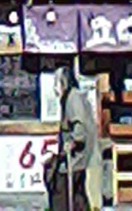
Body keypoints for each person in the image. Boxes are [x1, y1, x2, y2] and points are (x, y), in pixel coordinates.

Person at [47, 65, 96, 211]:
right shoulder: (71, 97)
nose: (55, 88)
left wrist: (73, 141)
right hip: (77, 157)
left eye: (56, 83)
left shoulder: (73, 98)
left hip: (75, 157)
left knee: (61, 189)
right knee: (77, 194)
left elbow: (79, 126)